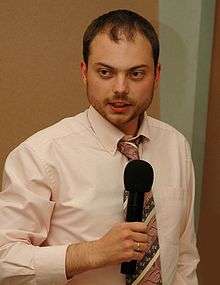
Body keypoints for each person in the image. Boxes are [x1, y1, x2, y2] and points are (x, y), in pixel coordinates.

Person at [0, 9, 199, 285]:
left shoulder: (176, 146)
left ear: (157, 74)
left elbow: (184, 256)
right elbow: (4, 260)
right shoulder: (40, 154)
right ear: (84, 72)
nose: (120, 88)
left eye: (136, 74)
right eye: (105, 72)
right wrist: (91, 254)